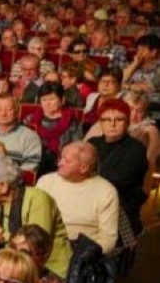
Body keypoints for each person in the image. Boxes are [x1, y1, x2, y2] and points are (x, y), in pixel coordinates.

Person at [0, 155, 72, 278]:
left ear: (3, 186)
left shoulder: (38, 199)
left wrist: (2, 236)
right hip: (8, 269)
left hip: (48, 273)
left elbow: (35, 250)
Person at [36, 142, 118, 255]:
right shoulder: (46, 182)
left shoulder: (106, 191)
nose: (59, 163)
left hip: (83, 253)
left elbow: (108, 239)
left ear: (83, 168)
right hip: (45, 248)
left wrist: (83, 256)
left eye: (67, 161)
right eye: (61, 158)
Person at [86, 98, 149, 238]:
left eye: (119, 119)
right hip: (89, 205)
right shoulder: (92, 144)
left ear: (127, 122)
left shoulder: (136, 149)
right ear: (100, 123)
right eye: (106, 120)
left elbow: (117, 181)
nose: (112, 124)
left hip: (120, 211)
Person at [24, 83, 81, 173]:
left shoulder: (71, 121)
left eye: (52, 99)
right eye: (44, 100)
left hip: (62, 164)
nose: (47, 103)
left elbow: (77, 147)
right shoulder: (31, 119)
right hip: (34, 163)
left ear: (62, 100)